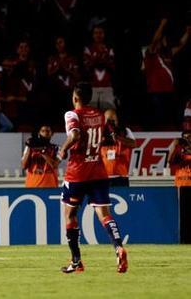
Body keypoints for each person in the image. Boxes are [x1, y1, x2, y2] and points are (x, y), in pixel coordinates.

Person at [58, 82, 128, 273]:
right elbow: (110, 137)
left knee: (70, 215)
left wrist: (63, 149)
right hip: (98, 170)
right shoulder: (99, 115)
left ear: (75, 97)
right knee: (104, 215)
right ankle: (119, 247)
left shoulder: (71, 114)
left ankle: (76, 261)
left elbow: (74, 134)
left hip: (77, 172)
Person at [100, 109, 136, 187]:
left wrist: (118, 137)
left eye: (113, 121)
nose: (111, 123)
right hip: (103, 177)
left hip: (121, 178)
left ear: (117, 121)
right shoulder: (99, 132)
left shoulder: (125, 131)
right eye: (108, 121)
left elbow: (133, 144)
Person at [168, 130, 191, 243]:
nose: (187, 140)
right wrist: (175, 144)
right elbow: (170, 161)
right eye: (185, 137)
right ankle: (184, 240)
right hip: (182, 185)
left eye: (189, 137)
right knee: (183, 216)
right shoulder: (179, 152)